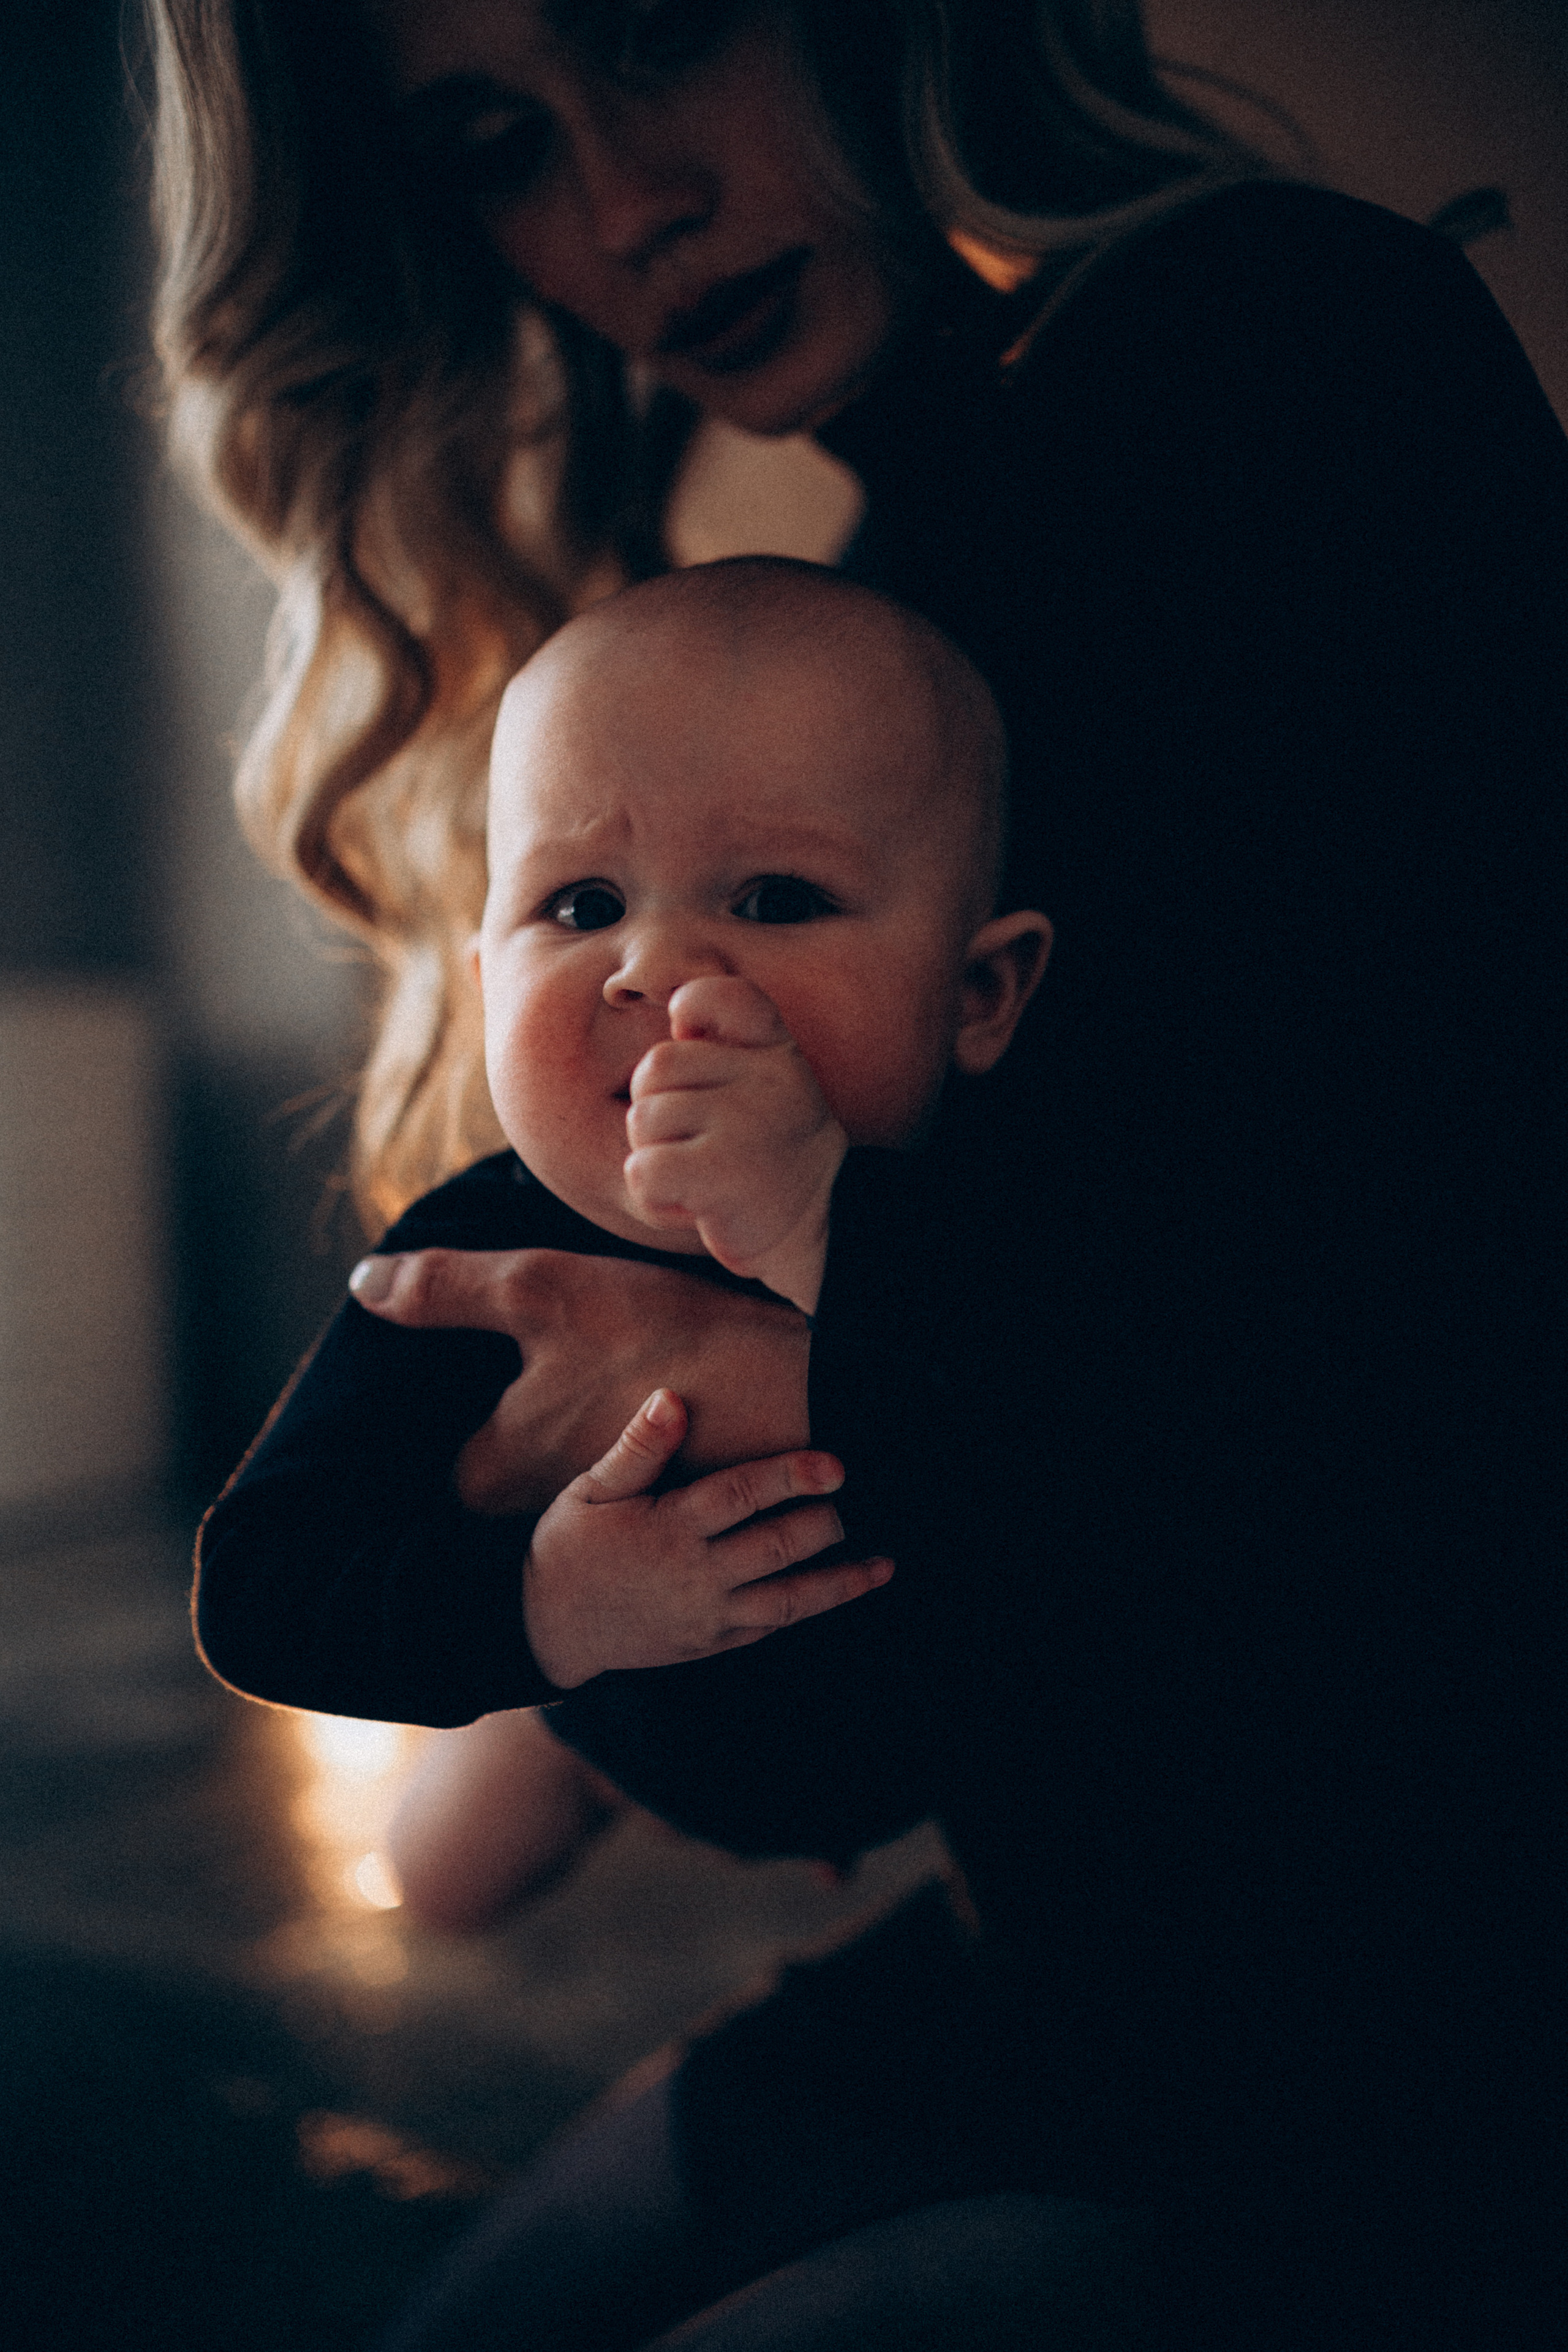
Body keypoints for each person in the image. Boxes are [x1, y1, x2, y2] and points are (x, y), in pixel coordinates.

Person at [147, 2, 1567, 2344]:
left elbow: (1420, 1320)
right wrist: (576, 1621)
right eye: (500, 145)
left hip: (1414, 1940)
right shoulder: (906, 569)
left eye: (663, 30)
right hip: (1097, 1919)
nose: (624, 211)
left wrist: (775, 1380)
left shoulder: (1271, 356)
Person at [195, 555, 1049, 1743]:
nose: (651, 967)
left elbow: (1097, 1467)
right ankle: (555, 1773)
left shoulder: (1013, 1210)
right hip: (608, 1722)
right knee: (447, 1872)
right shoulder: (468, 1265)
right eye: (582, 906)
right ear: (489, 986)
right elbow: (254, 1594)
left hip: (931, 1768)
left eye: (773, 900)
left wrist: (819, 1226)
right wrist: (544, 1612)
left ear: (976, 994)